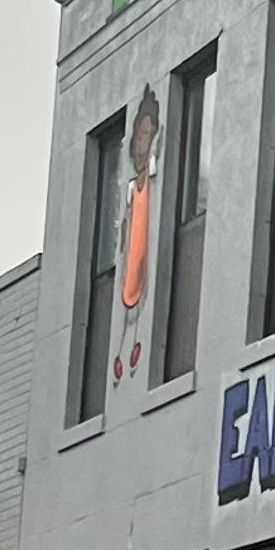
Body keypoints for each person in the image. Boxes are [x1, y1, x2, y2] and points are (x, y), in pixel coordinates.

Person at [113, 84, 161, 384]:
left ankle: (136, 344)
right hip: (133, 251)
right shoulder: (133, 187)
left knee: (140, 289)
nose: (142, 144)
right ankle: (123, 347)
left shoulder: (153, 175)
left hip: (145, 251)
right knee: (129, 292)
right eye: (139, 137)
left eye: (147, 135)